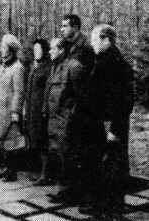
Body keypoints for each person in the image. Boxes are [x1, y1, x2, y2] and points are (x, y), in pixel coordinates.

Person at [78, 24, 134, 217]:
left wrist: (115, 129)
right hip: (98, 124)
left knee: (113, 168)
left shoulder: (118, 64)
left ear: (106, 40)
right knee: (99, 166)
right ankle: (100, 205)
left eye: (95, 40)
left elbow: (125, 101)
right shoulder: (100, 60)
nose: (92, 43)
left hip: (110, 125)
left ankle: (114, 210)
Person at [44, 38, 85, 202]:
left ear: (61, 50)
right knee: (58, 157)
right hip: (54, 121)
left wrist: (70, 118)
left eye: (53, 48)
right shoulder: (55, 67)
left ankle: (70, 192)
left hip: (66, 123)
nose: (49, 51)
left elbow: (80, 98)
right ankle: (63, 190)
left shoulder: (74, 67)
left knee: (68, 157)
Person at [0, 34, 26, 182]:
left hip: (9, 111)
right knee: (1, 140)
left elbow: (19, 91)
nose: (1, 50)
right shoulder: (2, 67)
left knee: (12, 141)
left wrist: (15, 111)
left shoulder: (18, 68)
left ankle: (12, 171)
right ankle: (6, 168)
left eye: (4, 47)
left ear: (11, 50)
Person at [24, 39, 52, 185]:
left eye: (39, 49)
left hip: (41, 109)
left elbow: (47, 90)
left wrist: (44, 108)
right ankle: (37, 170)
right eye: (34, 49)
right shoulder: (33, 67)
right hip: (31, 110)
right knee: (33, 138)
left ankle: (45, 174)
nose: (36, 52)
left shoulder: (48, 68)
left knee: (43, 141)